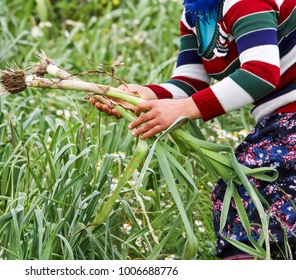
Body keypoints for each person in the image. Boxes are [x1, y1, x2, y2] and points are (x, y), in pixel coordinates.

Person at [91, 0, 296, 259]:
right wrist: (146, 94)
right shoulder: (197, 12)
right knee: (249, 194)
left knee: (251, 189)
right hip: (281, 118)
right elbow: (191, 81)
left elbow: (261, 73)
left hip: (290, 118)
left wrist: (185, 109)